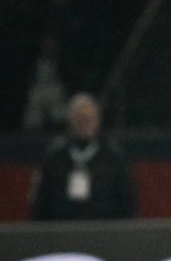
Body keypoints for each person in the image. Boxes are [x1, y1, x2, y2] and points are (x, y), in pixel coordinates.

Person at [29, 93, 136, 221]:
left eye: (88, 120)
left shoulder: (114, 157)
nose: (84, 124)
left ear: (97, 121)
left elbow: (128, 201)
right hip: (61, 231)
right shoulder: (54, 157)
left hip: (104, 230)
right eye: (80, 119)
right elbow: (41, 200)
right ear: (70, 121)